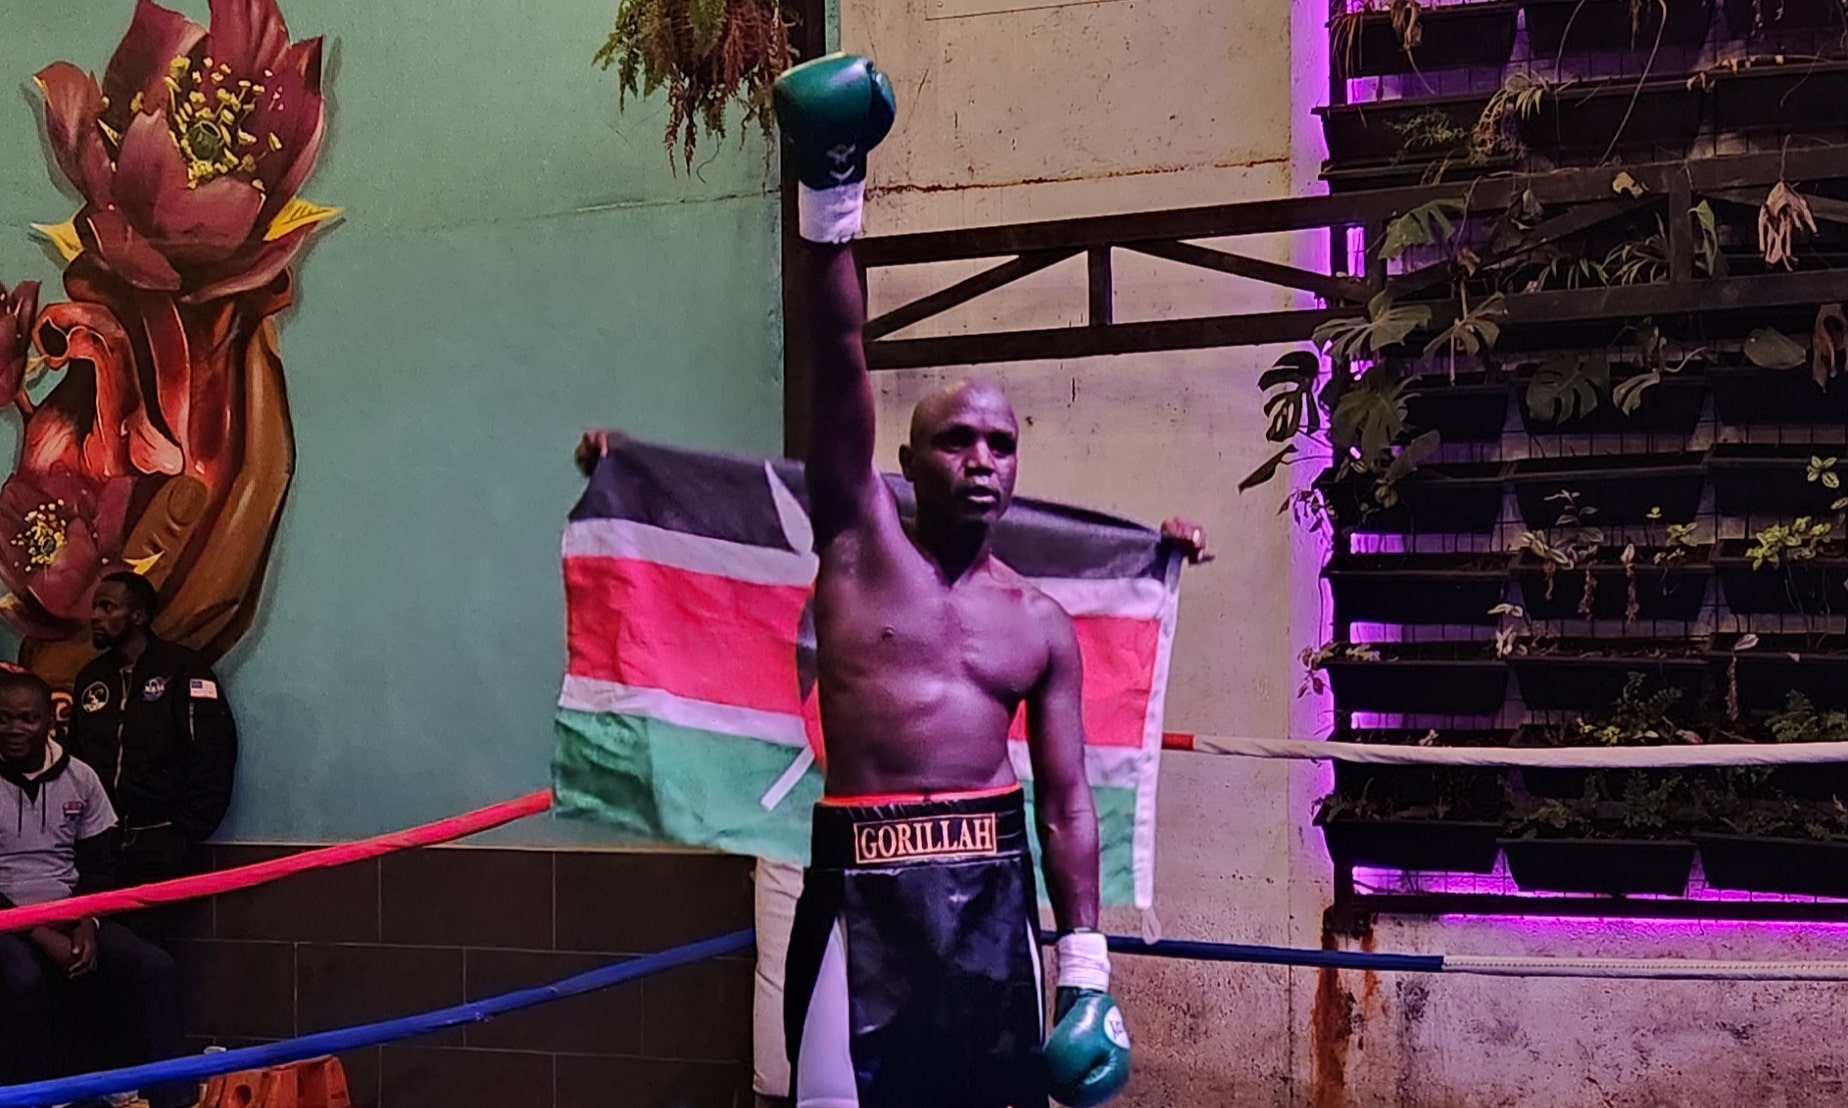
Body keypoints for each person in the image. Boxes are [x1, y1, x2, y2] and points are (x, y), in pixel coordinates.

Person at [766, 54, 1209, 1108]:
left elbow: (1065, 804)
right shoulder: (858, 541)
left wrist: (1089, 976)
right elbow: (837, 352)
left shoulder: (1040, 623)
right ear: (907, 463)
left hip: (990, 901)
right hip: (859, 896)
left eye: (1000, 443)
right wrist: (832, 189)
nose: (980, 458)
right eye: (955, 439)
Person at [0, 670, 190, 1108]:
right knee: (22, 980)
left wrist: (88, 922)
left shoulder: (81, 778)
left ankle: (173, 1096)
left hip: (71, 909)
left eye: (27, 719)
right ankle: (33, 1099)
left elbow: (99, 864)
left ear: (51, 721)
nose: (14, 729)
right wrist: (39, 934)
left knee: (156, 968)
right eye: (4, 718)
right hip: (8, 921)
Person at [71, 571, 238, 894]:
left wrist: (186, 830)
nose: (95, 616)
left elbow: (213, 753)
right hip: (101, 845)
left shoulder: (183, 670)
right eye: (95, 607)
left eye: (107, 607)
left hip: (163, 842)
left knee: (146, 940)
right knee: (106, 937)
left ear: (139, 616)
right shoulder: (90, 679)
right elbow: (77, 758)